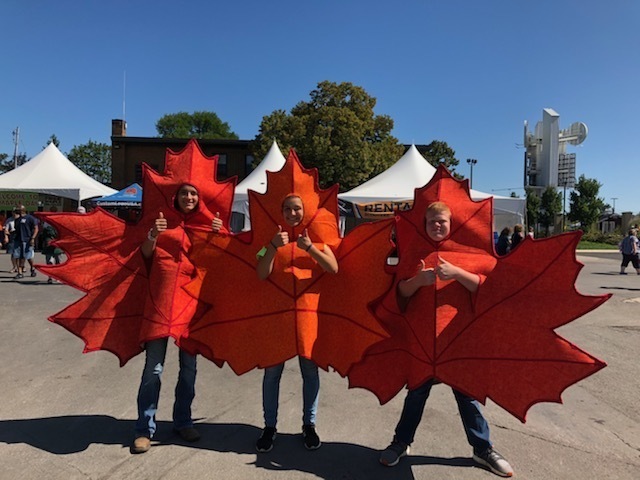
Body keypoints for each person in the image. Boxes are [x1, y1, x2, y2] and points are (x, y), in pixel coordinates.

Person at [379, 202, 514, 477]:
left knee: (467, 398)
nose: (437, 226)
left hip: (457, 344)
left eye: (442, 221)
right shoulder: (416, 252)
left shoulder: (467, 253)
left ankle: (482, 448)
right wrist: (418, 281)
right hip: (423, 344)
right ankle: (401, 442)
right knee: (415, 395)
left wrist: (457, 274)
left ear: (451, 224)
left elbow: (489, 289)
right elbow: (399, 293)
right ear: (424, 224)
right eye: (432, 222)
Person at [131, 183, 224, 454]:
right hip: (159, 305)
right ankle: (144, 429)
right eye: (185, 193)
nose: (190, 197)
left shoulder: (206, 226)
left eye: (194, 194)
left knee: (189, 368)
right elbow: (145, 254)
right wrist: (152, 234)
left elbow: (218, 259)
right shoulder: (161, 223)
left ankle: (183, 421)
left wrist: (219, 233)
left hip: (189, 307)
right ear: (176, 197)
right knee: (154, 369)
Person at [254, 194, 338, 453]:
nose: (292, 213)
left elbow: (333, 268)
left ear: (304, 211)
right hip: (277, 319)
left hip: (307, 318)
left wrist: (310, 248)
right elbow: (260, 273)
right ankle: (269, 427)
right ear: (281, 212)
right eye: (288, 209)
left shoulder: (317, 238)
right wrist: (272, 246)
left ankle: (309, 425)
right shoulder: (270, 240)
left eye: (296, 209)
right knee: (272, 375)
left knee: (310, 373)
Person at [12, 205, 39, 279]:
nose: (16, 211)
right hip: (18, 240)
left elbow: (36, 228)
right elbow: (16, 229)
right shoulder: (17, 219)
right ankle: (20, 272)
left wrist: (33, 238)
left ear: (22, 210)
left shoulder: (30, 218)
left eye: (17, 210)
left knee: (27, 256)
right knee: (17, 256)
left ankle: (32, 269)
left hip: (27, 240)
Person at [41, 207, 63, 284]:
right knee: (55, 262)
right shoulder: (48, 221)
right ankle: (52, 277)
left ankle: (54, 277)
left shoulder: (50, 221)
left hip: (55, 243)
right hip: (52, 243)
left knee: (54, 262)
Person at [3, 208, 19, 273]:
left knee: (20, 253)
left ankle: (20, 267)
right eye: (13, 212)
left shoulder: (21, 219)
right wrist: (6, 237)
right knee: (13, 253)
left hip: (20, 236)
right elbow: (6, 229)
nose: (14, 213)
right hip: (12, 236)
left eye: (16, 212)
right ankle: (14, 267)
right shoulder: (9, 220)